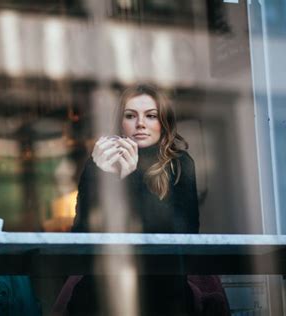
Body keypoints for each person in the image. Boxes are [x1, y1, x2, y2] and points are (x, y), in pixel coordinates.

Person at [68, 84, 200, 315]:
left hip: (163, 295)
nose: (140, 123)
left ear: (163, 123)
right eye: (130, 116)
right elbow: (81, 237)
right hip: (103, 291)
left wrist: (130, 179)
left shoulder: (180, 164)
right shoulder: (100, 162)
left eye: (151, 116)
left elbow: (181, 235)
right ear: (121, 122)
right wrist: (98, 174)